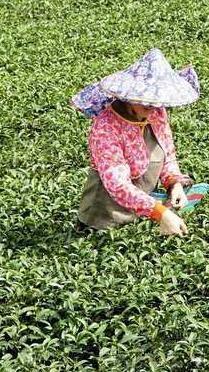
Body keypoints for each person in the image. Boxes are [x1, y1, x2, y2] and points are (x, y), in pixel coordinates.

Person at [70, 48, 201, 236]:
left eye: (156, 99)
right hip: (105, 220)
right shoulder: (106, 127)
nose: (153, 105)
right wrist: (160, 213)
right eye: (146, 98)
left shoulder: (157, 113)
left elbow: (168, 155)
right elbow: (118, 184)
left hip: (145, 214)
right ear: (129, 94)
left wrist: (174, 184)